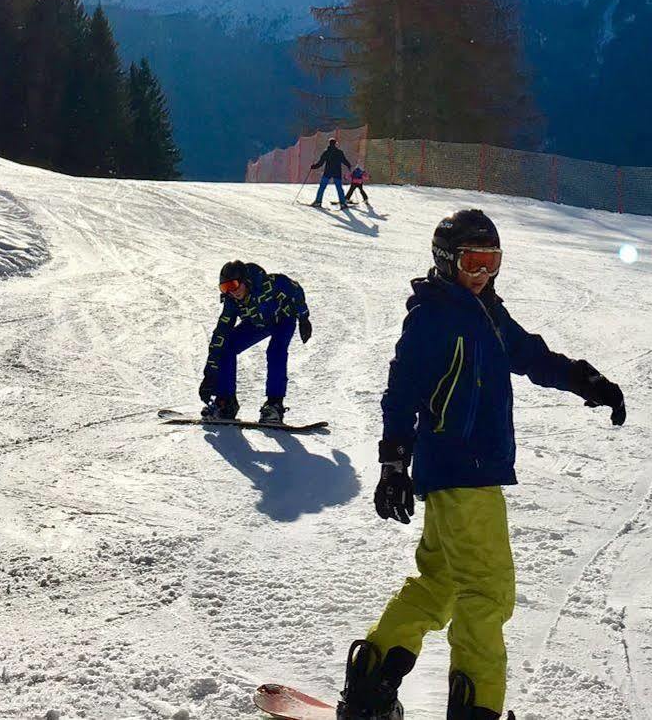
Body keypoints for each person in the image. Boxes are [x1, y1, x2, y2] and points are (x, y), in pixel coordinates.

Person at [337, 210, 625, 720]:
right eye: (473, 262)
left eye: (491, 262)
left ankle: (370, 683)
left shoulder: (487, 312)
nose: (482, 274)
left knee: (441, 584)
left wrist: (589, 382)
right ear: (447, 261)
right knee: (487, 592)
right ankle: (477, 709)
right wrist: (392, 464)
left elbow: (533, 356)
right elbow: (400, 394)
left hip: (465, 471)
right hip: (461, 469)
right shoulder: (433, 316)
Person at [200, 260, 313, 424]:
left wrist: (304, 317)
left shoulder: (270, 283)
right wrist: (210, 374)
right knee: (227, 346)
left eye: (233, 285)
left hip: (283, 318)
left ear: (245, 280)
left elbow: (295, 289)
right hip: (258, 323)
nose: (231, 292)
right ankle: (226, 403)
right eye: (225, 288)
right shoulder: (232, 301)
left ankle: (274, 405)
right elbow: (221, 334)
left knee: (276, 351)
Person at [308, 138, 352, 208]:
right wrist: (349, 166)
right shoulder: (339, 152)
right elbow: (344, 160)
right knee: (339, 188)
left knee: (322, 187)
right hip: (337, 172)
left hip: (328, 172)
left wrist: (314, 166)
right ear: (335, 144)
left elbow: (320, 163)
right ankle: (343, 203)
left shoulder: (326, 152)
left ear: (329, 144)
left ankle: (318, 202)